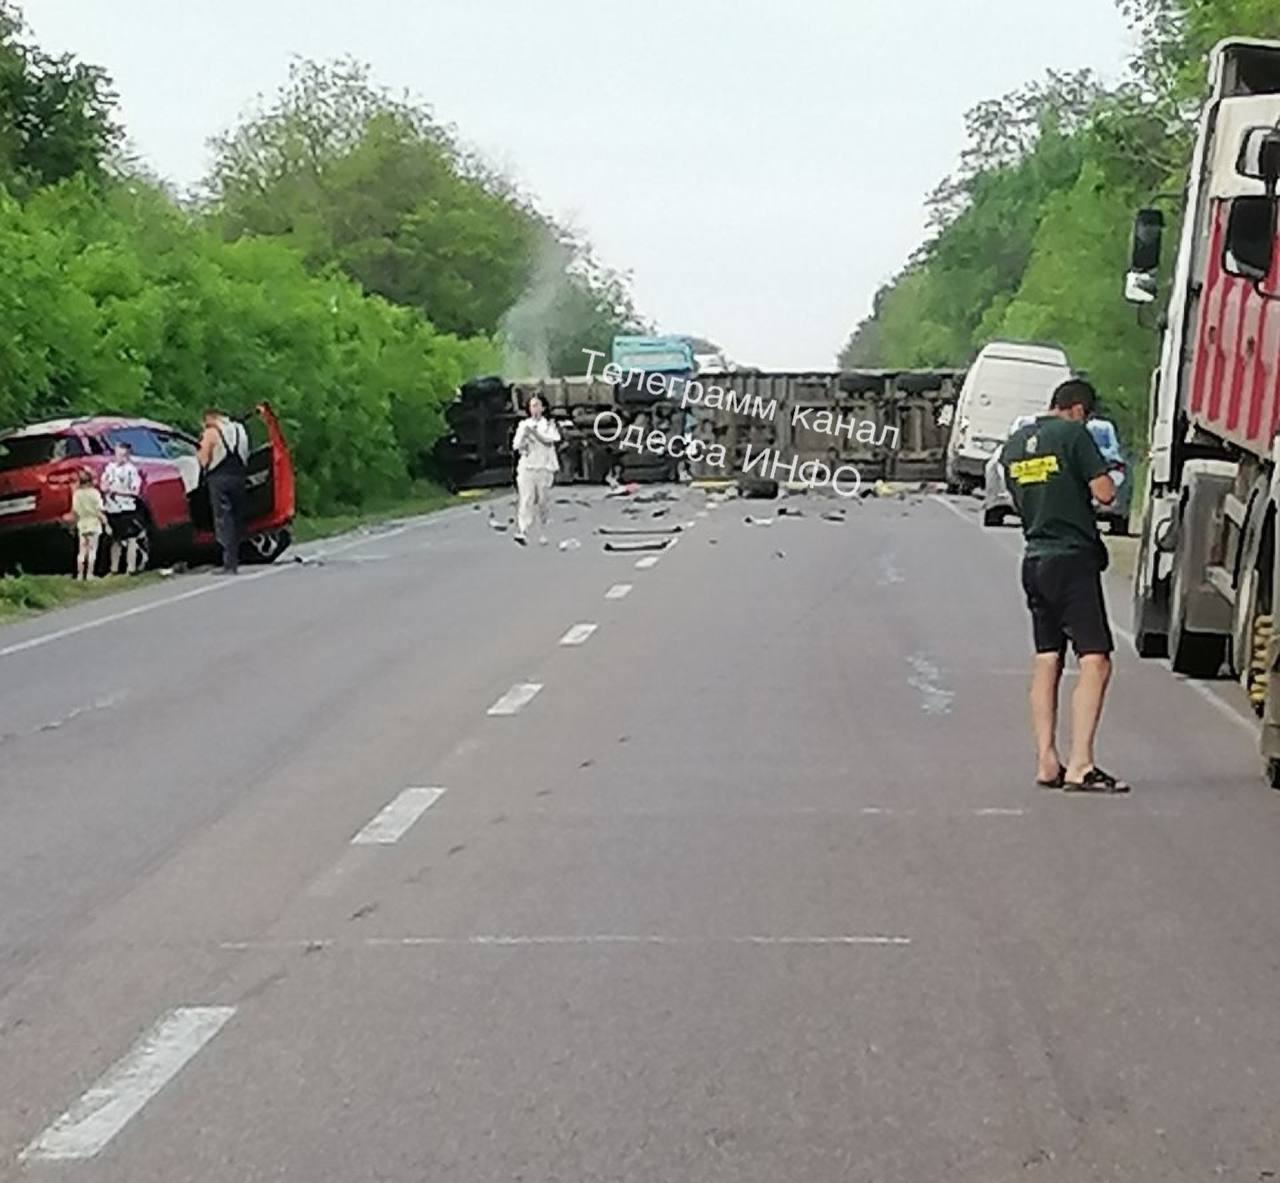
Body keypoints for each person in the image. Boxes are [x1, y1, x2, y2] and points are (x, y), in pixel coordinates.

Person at [1000, 378, 1130, 794]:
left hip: (1034, 558)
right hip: (1072, 559)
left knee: (1046, 658)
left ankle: (1046, 759)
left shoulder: (1015, 444)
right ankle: (1081, 764)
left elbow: (1021, 499)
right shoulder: (1075, 435)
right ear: (1078, 409)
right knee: (1096, 659)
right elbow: (1105, 493)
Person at [197, 408, 250, 574]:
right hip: (239, 477)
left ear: (209, 418)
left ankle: (229, 564)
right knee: (237, 518)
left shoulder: (212, 432)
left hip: (219, 479)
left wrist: (198, 456)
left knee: (223, 520)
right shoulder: (240, 429)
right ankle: (237, 558)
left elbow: (204, 459)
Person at [511, 395, 561, 546]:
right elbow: (516, 446)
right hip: (527, 467)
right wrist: (525, 438)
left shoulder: (548, 425)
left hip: (544, 467)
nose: (535, 409)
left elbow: (549, 441)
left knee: (542, 501)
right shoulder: (523, 425)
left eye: (537, 405)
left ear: (543, 408)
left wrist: (535, 434)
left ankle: (543, 530)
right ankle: (523, 530)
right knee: (526, 499)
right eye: (532, 406)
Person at [101, 441, 145, 575]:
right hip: (111, 508)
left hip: (126, 508)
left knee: (131, 538)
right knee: (115, 538)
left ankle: (130, 568)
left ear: (127, 455)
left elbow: (135, 491)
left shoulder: (131, 470)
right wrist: (105, 488)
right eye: (117, 454)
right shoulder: (109, 468)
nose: (119, 457)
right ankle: (113, 568)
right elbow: (104, 483)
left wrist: (119, 491)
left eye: (122, 455)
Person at [67, 469, 107, 581]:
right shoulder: (95, 493)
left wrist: (73, 524)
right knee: (92, 550)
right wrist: (105, 522)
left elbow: (74, 510)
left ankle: (80, 575)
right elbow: (99, 510)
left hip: (82, 523)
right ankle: (90, 574)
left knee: (81, 551)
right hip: (94, 523)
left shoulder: (77, 494)